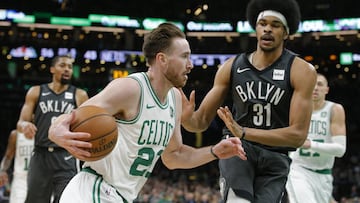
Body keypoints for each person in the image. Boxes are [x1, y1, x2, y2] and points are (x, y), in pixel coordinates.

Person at [47, 22, 247, 203]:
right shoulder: (130, 89)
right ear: (162, 59)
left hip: (119, 197)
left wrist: (214, 151)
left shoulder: (174, 99)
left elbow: (174, 156)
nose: (190, 64)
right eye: (185, 56)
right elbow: (76, 115)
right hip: (93, 191)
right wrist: (56, 129)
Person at [180, 0, 317, 202]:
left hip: (275, 157)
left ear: (286, 33)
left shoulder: (301, 71)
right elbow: (199, 123)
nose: (267, 29)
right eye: (263, 24)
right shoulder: (231, 67)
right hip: (237, 148)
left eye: (275, 25)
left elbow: (297, 136)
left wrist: (245, 131)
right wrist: (186, 119)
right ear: (256, 28)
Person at [16, 55, 89, 203]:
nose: (67, 69)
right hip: (41, 155)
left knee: (67, 200)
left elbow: (88, 124)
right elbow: (21, 122)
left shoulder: (80, 95)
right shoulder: (36, 92)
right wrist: (25, 125)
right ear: (52, 69)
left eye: (70, 66)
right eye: (62, 65)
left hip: (66, 156)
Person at [285, 73, 346, 203]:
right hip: (298, 170)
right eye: (312, 84)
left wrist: (310, 144)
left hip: (324, 175)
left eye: (319, 84)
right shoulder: (295, 108)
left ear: (326, 89)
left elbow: (340, 150)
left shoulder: (335, 110)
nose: (315, 88)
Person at [0, 129, 34, 203]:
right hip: (21, 180)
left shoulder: (44, 134)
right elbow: (8, 156)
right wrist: (2, 170)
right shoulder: (16, 134)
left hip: (42, 180)